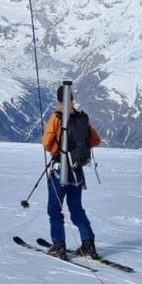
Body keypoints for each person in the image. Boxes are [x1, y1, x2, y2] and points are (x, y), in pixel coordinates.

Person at [43, 85, 101, 259]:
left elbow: (46, 142)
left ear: (58, 99)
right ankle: (88, 243)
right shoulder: (81, 117)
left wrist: (58, 152)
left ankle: (59, 245)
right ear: (72, 99)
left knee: (55, 209)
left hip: (60, 170)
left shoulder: (57, 117)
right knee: (76, 208)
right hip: (77, 171)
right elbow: (95, 140)